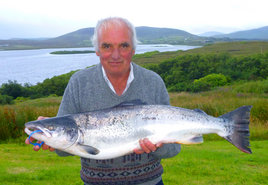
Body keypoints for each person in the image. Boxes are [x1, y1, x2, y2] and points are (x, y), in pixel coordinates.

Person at [25, 17, 180, 185]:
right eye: (107, 46)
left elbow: (173, 149)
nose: (115, 55)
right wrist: (50, 139)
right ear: (97, 50)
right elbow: (65, 148)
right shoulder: (78, 83)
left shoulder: (153, 82)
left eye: (124, 45)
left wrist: (159, 146)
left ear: (133, 49)